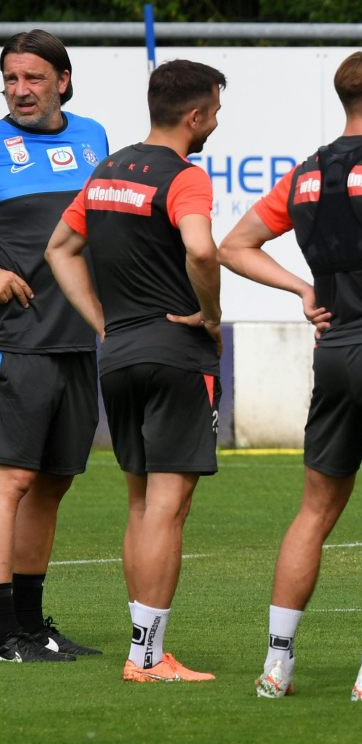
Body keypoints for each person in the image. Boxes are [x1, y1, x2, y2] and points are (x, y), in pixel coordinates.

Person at [218, 49, 362, 701]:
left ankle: (276, 668)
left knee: (314, 513)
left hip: (336, 352)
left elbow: (233, 245)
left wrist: (301, 289)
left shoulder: (306, 175)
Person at [45, 59, 225, 682]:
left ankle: (143, 650)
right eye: (215, 112)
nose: (216, 123)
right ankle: (146, 657)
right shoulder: (184, 177)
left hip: (118, 353)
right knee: (167, 510)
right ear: (195, 114)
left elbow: (59, 250)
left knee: (141, 503)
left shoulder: (107, 170)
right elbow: (201, 248)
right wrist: (209, 313)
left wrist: (101, 320)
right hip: (175, 353)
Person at [0, 29, 108, 663]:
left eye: (34, 78)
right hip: (18, 338)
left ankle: (32, 624)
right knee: (11, 479)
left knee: (52, 482)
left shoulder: (93, 136)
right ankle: (3, 630)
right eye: (11, 80)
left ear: (63, 81)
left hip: (77, 338)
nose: (20, 91)